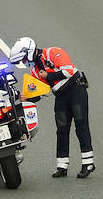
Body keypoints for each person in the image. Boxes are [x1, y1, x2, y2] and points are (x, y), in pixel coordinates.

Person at [10, 37, 94, 178]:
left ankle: (88, 163)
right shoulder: (35, 72)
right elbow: (39, 92)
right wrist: (26, 97)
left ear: (29, 52)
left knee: (81, 127)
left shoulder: (53, 52)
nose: (24, 63)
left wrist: (49, 75)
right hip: (60, 97)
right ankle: (62, 166)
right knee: (61, 130)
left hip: (76, 91)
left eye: (24, 59)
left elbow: (69, 71)